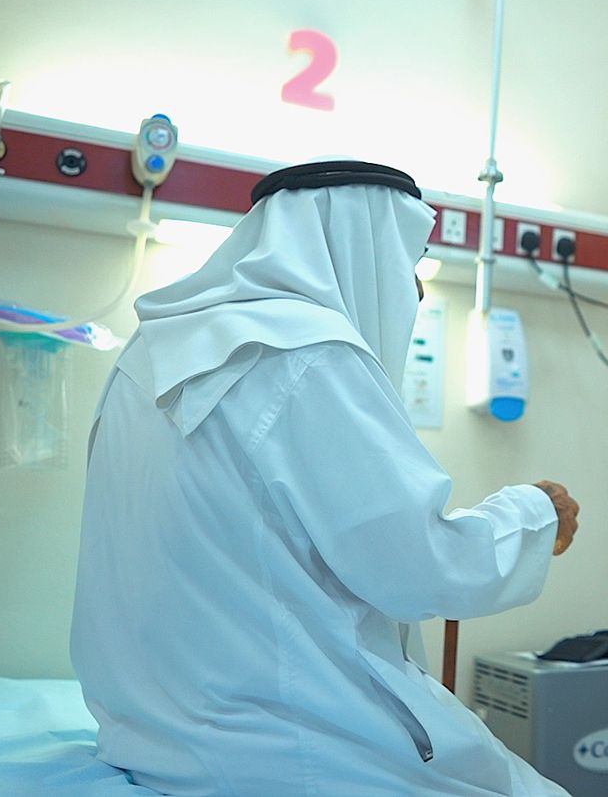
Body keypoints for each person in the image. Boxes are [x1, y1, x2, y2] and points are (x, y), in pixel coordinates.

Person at [71, 161, 577, 796]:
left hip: (152, 737)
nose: (417, 292)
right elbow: (420, 567)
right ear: (360, 250)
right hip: (291, 749)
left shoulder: (148, 352)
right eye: (411, 264)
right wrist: (531, 514)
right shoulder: (308, 356)